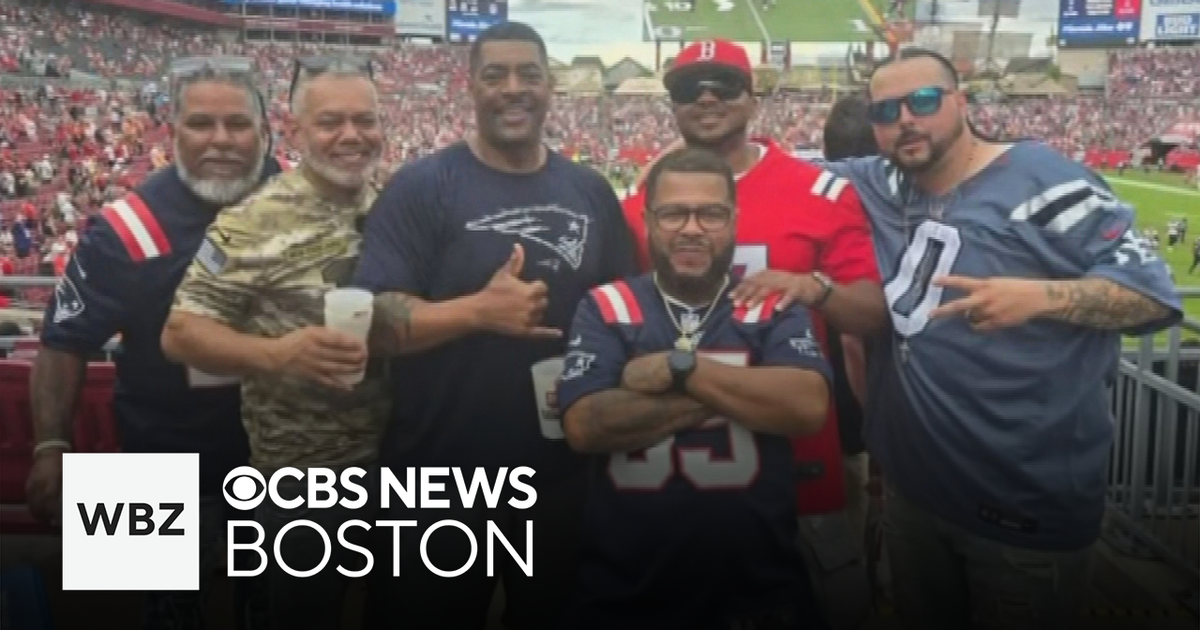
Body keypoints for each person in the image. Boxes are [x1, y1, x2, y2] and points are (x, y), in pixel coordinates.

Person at [828, 47, 1182, 629]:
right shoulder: (877, 182)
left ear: (962, 101)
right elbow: (764, 173)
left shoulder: (1044, 179)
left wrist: (1042, 298)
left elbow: (1153, 296)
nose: (905, 120)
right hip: (915, 494)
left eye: (923, 101)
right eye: (886, 111)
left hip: (1021, 503)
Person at [354, 21, 636, 630]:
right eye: (495, 75)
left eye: (528, 74)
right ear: (471, 87)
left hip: (563, 478)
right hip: (437, 483)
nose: (513, 88)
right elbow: (369, 324)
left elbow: (627, 312)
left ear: (549, 86)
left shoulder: (589, 190)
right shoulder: (422, 186)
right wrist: (478, 311)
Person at [622, 39, 885, 630]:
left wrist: (813, 288)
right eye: (689, 88)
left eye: (723, 83)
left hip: (797, 462)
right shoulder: (640, 206)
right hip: (677, 466)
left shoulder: (820, 193)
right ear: (673, 103)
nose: (706, 97)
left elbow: (870, 315)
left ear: (752, 96)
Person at [27, 55, 277, 630]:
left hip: (285, 461)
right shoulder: (124, 227)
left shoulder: (307, 206)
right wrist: (50, 448)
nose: (221, 139)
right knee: (155, 616)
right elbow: (63, 342)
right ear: (172, 132)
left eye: (238, 124)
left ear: (265, 132)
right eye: (201, 123)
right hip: (155, 458)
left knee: (283, 612)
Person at [557, 147, 833, 630]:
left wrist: (681, 369)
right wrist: (742, 392)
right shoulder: (606, 305)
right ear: (647, 221)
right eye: (673, 214)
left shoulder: (770, 303)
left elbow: (806, 406)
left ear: (734, 221)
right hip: (625, 591)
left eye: (711, 214)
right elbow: (586, 424)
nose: (691, 228)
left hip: (757, 592)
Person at [161, 55, 388, 629]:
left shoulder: (393, 206)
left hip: (402, 461)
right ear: (295, 130)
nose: (351, 135)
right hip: (303, 477)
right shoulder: (252, 220)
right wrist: (277, 354)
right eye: (331, 121)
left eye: (364, 120)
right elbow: (181, 333)